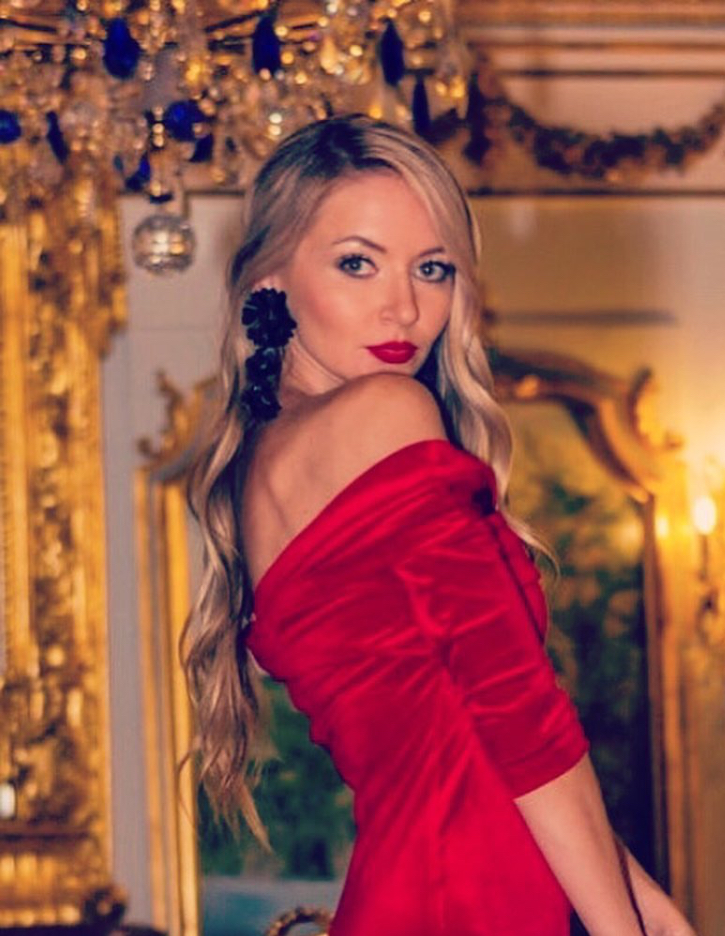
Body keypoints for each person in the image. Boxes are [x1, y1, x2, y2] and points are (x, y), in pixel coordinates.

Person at [184, 113, 696, 936]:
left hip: (439, 886)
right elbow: (515, 709)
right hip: (463, 894)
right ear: (270, 284)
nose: (404, 307)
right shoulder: (384, 414)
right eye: (358, 263)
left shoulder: (268, 460)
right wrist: (621, 927)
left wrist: (642, 901)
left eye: (433, 268)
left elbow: (472, 726)